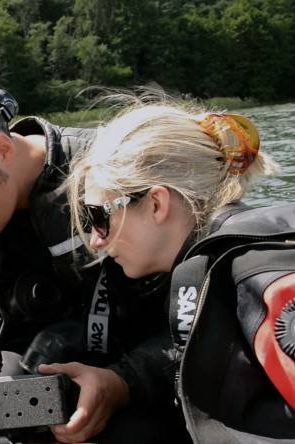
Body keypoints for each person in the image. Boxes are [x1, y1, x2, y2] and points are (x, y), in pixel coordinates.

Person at [0, 85, 185, 443]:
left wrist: (123, 381)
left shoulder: (112, 174)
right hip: (32, 379)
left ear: (3, 149)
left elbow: (198, 312)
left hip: (139, 371)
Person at [66, 96, 295, 441]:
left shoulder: (256, 273)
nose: (95, 241)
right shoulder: (217, 270)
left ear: (157, 203)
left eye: (99, 217)